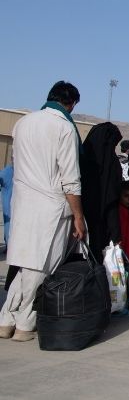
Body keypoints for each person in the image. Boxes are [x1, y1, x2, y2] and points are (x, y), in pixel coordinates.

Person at [2, 81, 87, 342]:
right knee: (42, 267)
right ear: (70, 103)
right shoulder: (64, 127)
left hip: (23, 202)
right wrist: (78, 215)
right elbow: (70, 178)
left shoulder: (23, 123)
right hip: (51, 206)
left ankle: (6, 318)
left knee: (25, 264)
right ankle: (26, 321)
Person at [79, 121, 123, 258]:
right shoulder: (111, 164)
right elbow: (112, 199)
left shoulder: (80, 158)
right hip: (100, 225)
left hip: (77, 220)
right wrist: (116, 235)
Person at [1, 163, 13, 248]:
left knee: (8, 225)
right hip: (17, 204)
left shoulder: (6, 172)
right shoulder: (22, 172)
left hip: (8, 205)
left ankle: (9, 246)